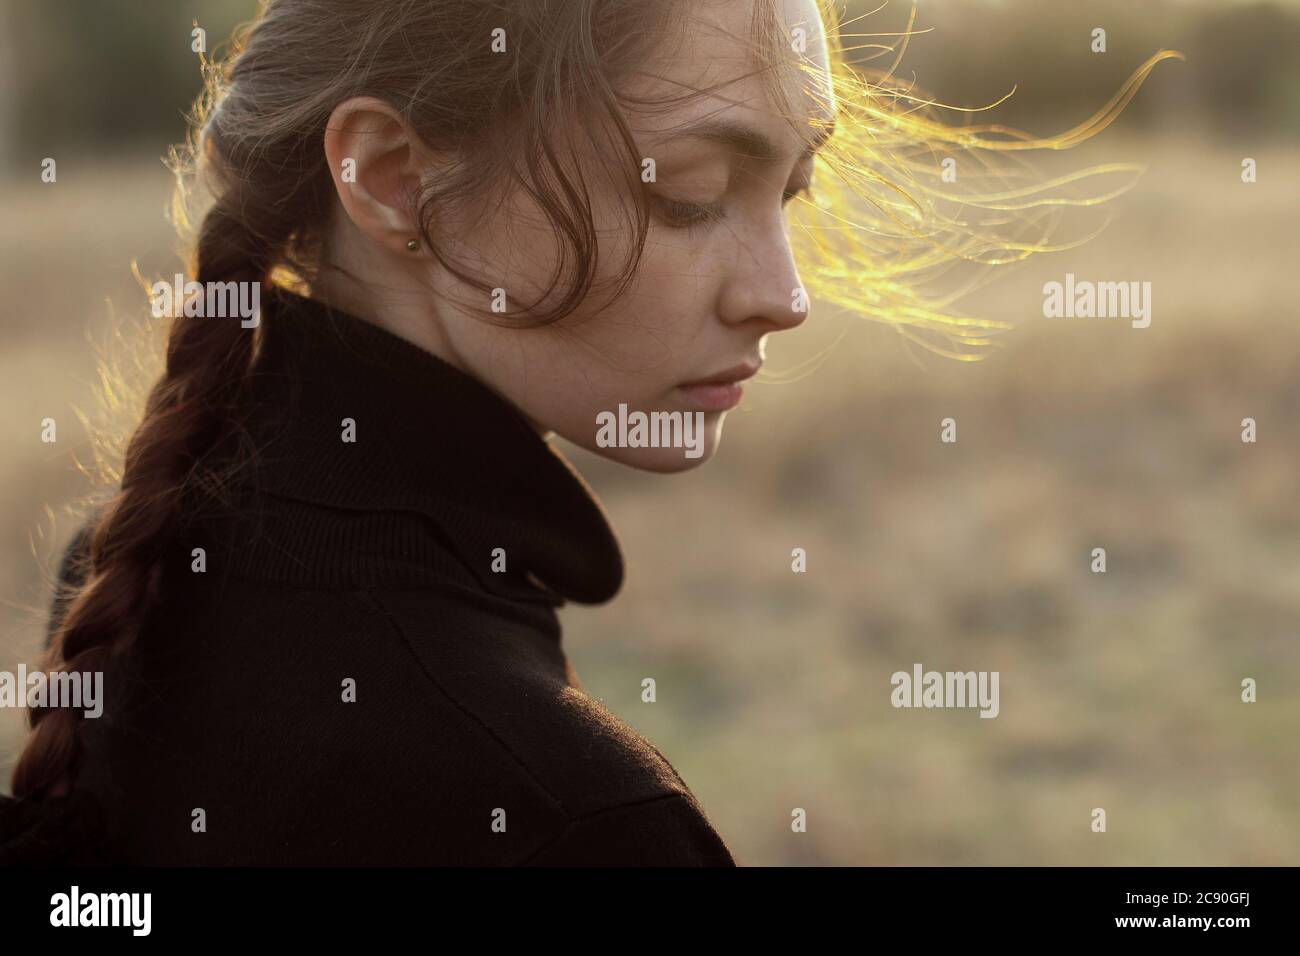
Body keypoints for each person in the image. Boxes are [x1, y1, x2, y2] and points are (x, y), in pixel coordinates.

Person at [2, 0, 1176, 865]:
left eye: (795, 190)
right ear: (395, 179)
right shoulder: (567, 815)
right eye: (691, 194)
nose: (784, 291)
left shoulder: (136, 563)